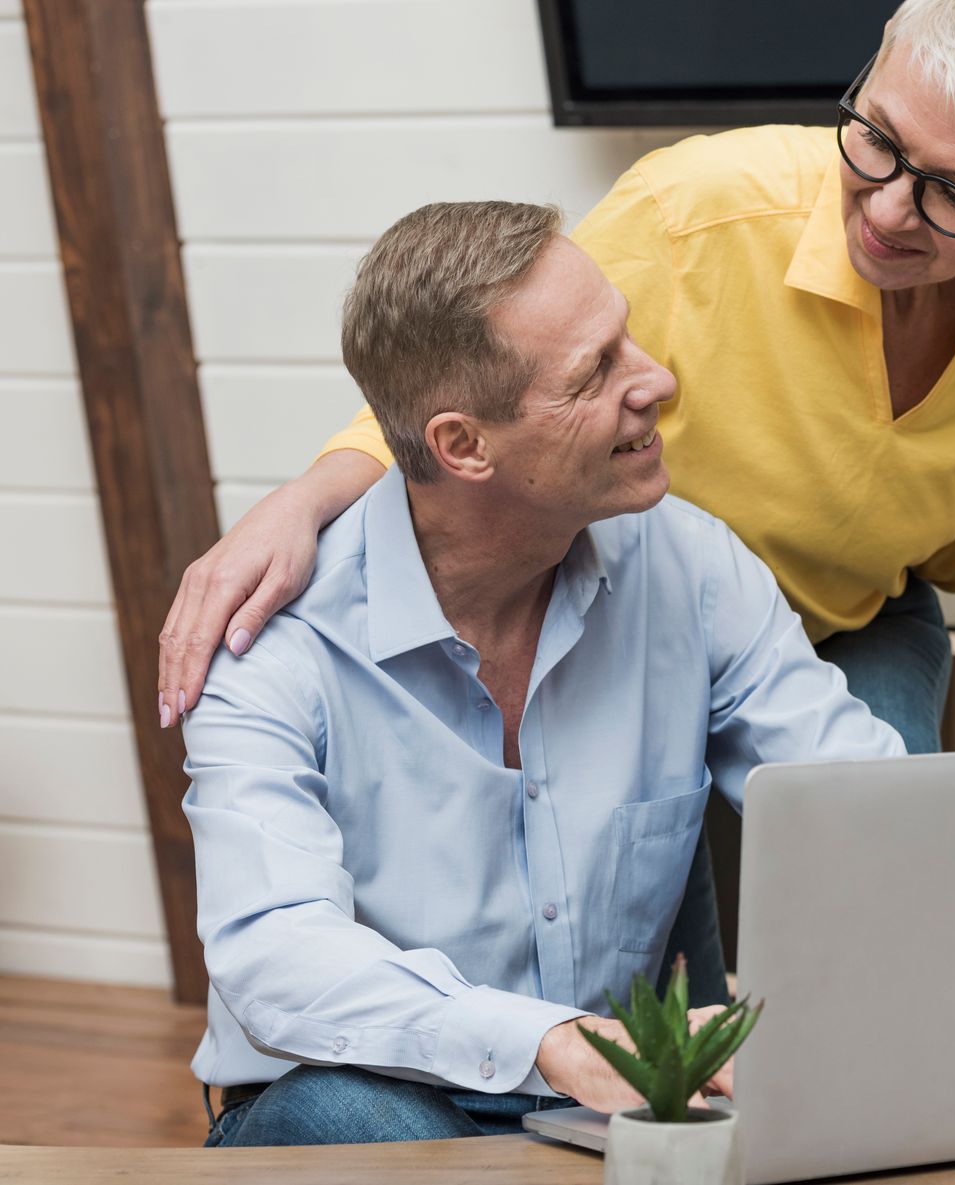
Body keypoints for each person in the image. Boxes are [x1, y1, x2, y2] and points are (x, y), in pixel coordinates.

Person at [158, 0, 955, 1007]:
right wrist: (302, 501)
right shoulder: (695, 213)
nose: (890, 208)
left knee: (884, 909)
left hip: (847, 624)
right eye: (877, 141)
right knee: (675, 984)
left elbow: (949, 526)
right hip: (642, 619)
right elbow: (485, 387)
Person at [185, 201, 905, 1147]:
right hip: (371, 1091)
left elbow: (866, 804)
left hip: (602, 1108)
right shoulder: (272, 639)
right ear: (463, 445)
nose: (659, 381)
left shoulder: (690, 569)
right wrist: (557, 1040)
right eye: (594, 373)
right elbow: (277, 954)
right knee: (355, 1116)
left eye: (628, 338)